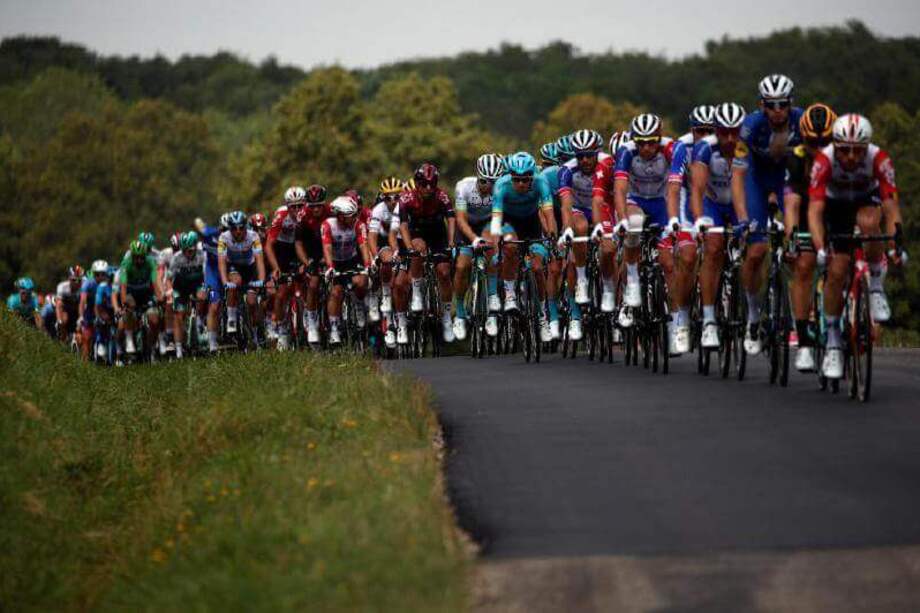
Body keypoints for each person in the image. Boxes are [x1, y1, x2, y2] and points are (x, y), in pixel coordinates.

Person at [808, 113, 904, 379]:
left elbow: (891, 207)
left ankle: (874, 286)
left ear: (867, 148)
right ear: (836, 146)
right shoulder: (824, 161)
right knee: (837, 270)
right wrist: (819, 248)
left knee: (870, 223)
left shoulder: (879, 159)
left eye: (857, 150)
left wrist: (896, 242)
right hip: (835, 206)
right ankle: (833, 343)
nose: (851, 157)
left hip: (865, 199)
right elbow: (814, 212)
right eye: (845, 150)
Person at [732, 74, 804, 355]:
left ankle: (798, 321)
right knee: (757, 249)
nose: (777, 111)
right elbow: (738, 176)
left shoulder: (801, 122)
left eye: (782, 104)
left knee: (798, 249)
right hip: (757, 181)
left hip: (788, 181)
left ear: (791, 103)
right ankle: (752, 314)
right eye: (770, 105)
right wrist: (742, 218)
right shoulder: (750, 127)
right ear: (761, 105)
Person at [783, 103, 837, 372]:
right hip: (805, 213)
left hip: (834, 212)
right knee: (803, 266)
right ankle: (803, 341)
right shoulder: (795, 158)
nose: (819, 147)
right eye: (813, 142)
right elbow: (791, 204)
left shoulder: (842, 157)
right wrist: (792, 238)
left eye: (825, 141)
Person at [692, 103, 750, 349]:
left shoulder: (748, 147)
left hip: (741, 204)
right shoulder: (706, 148)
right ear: (716, 130)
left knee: (754, 250)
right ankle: (708, 321)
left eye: (734, 132)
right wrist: (699, 220)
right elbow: (696, 189)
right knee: (714, 249)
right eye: (723, 132)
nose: (729, 138)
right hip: (714, 204)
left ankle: (752, 313)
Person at [611, 114, 675, 327]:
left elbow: (683, 182)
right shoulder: (626, 152)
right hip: (636, 200)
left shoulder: (670, 149)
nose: (646, 147)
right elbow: (619, 189)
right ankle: (631, 288)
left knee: (667, 262)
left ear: (660, 138)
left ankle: (674, 317)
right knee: (634, 225)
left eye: (651, 142)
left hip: (661, 203)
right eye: (641, 142)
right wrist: (622, 220)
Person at [488, 151, 558, 340]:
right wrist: (497, 251)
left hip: (531, 223)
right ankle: (510, 295)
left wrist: (553, 240)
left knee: (536, 268)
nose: (520, 184)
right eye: (516, 180)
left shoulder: (541, 182)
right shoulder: (501, 186)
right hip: (509, 222)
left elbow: (549, 214)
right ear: (510, 176)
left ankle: (543, 316)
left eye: (525, 180)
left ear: (531, 177)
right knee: (509, 247)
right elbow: (496, 221)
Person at [663, 105, 716, 354]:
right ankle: (680, 320)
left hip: (716, 201)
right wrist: (673, 218)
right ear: (691, 130)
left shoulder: (725, 145)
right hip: (687, 203)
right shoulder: (682, 148)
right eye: (699, 131)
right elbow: (673, 188)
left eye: (710, 130)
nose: (705, 136)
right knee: (687, 255)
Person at [394, 162, 457, 343]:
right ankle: (417, 294)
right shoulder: (406, 199)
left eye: (432, 184)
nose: (428, 188)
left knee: (444, 272)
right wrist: (409, 247)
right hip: (416, 233)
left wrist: (451, 242)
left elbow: (451, 219)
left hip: (438, 234)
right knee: (418, 249)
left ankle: (446, 318)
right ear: (417, 183)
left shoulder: (442, 197)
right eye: (424, 184)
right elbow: (404, 226)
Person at [452, 153, 504, 341]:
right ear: (478, 176)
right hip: (467, 228)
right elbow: (460, 219)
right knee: (461, 267)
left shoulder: (501, 190)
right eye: (484, 181)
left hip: (488, 226)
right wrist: (473, 239)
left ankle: (491, 305)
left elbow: (500, 219)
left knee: (492, 250)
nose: (488, 187)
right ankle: (459, 313)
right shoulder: (463, 187)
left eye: (493, 182)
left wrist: (497, 245)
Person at [322, 197, 372, 344]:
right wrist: (330, 267)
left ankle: (358, 305)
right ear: (341, 216)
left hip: (352, 260)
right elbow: (327, 247)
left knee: (362, 282)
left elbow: (363, 245)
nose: (355, 217)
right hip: (336, 262)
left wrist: (368, 264)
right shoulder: (328, 225)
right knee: (336, 292)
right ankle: (334, 328)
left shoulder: (358, 224)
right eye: (352, 215)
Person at [266, 186, 309, 349]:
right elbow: (269, 246)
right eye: (293, 206)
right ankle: (281, 327)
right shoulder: (281, 216)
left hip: (302, 248)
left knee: (308, 279)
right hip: (283, 250)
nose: (298, 210)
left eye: (301, 205)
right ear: (287, 206)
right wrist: (276, 268)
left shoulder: (309, 215)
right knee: (283, 290)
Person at [217, 210, 266, 338]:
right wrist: (225, 283)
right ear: (230, 229)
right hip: (234, 267)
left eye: (241, 228)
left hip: (250, 267)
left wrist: (261, 280)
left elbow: (260, 261)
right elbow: (221, 263)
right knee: (235, 282)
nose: (238, 231)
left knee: (251, 302)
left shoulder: (254, 236)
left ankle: (256, 335)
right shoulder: (223, 238)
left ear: (246, 227)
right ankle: (232, 318)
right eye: (234, 228)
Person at [368, 177, 403, 347]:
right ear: (383, 198)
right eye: (388, 197)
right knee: (386, 261)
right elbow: (372, 237)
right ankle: (385, 297)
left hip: (401, 241)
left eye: (397, 197)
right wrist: (375, 257)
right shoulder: (378, 210)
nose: (393, 201)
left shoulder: (405, 207)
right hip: (383, 242)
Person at [294, 185, 331, 344]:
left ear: (325, 203)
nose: (316, 209)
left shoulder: (332, 212)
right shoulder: (302, 216)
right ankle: (312, 320)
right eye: (313, 206)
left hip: (328, 247)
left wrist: (329, 258)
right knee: (314, 283)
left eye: (319, 205)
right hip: (310, 249)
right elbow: (298, 243)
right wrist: (306, 262)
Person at [165, 231, 207, 359]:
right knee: (179, 315)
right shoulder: (177, 258)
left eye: (191, 250)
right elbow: (168, 279)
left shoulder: (201, 255)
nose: (189, 253)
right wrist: (169, 291)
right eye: (186, 251)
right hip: (181, 287)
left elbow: (206, 274)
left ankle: (200, 321)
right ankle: (178, 349)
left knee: (202, 296)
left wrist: (207, 287)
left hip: (196, 284)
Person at [115, 240, 160, 357]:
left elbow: (155, 283)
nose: (139, 260)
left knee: (154, 320)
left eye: (141, 257)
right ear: (132, 256)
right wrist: (125, 302)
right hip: (131, 294)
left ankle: (153, 348)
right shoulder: (126, 264)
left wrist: (160, 297)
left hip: (146, 294)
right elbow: (123, 288)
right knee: (129, 306)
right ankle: (129, 339)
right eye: (136, 257)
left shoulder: (151, 262)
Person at [78, 260, 109, 360]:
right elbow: (82, 301)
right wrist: (81, 316)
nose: (100, 277)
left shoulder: (109, 283)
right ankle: (85, 364)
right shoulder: (88, 284)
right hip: (90, 312)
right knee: (86, 338)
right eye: (97, 274)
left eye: (103, 274)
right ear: (93, 274)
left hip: (104, 310)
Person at [54, 265, 83, 343]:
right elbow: (58, 304)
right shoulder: (62, 287)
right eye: (74, 280)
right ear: (69, 279)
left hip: (78, 309)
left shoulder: (84, 287)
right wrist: (59, 320)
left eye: (79, 280)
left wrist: (81, 318)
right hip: (66, 309)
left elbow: (84, 304)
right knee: (63, 321)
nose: (77, 283)